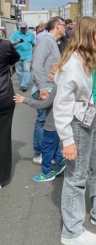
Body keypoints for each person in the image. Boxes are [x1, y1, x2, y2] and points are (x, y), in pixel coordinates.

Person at [53, 16, 96, 244]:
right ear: (87, 35)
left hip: (92, 118)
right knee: (76, 176)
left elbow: (90, 92)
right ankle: (71, 231)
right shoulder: (72, 63)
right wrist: (67, 140)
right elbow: (62, 104)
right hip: (77, 123)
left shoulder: (85, 58)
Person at [14, 64, 67, 182]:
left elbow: (44, 105)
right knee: (53, 146)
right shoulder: (62, 87)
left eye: (52, 73)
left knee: (47, 148)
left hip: (51, 125)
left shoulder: (57, 88)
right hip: (58, 124)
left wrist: (25, 100)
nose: (49, 75)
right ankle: (61, 161)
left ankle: (47, 172)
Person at [31, 17, 66, 165]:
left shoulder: (52, 41)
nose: (65, 28)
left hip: (49, 88)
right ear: (58, 26)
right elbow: (37, 65)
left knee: (48, 122)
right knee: (43, 121)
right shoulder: (46, 41)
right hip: (44, 88)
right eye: (64, 25)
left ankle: (49, 153)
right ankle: (39, 154)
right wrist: (42, 88)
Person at [0, 36, 20, 190]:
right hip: (4, 96)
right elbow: (15, 58)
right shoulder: (5, 45)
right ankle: (1, 178)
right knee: (3, 137)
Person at [10, 21, 35, 92]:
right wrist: (17, 41)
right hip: (17, 56)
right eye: (22, 28)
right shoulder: (15, 34)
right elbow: (11, 43)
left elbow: (33, 44)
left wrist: (34, 54)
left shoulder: (31, 34)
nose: (24, 29)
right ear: (20, 28)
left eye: (25, 27)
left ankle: (24, 85)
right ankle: (23, 83)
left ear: (27, 26)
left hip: (28, 56)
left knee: (26, 70)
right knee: (19, 72)